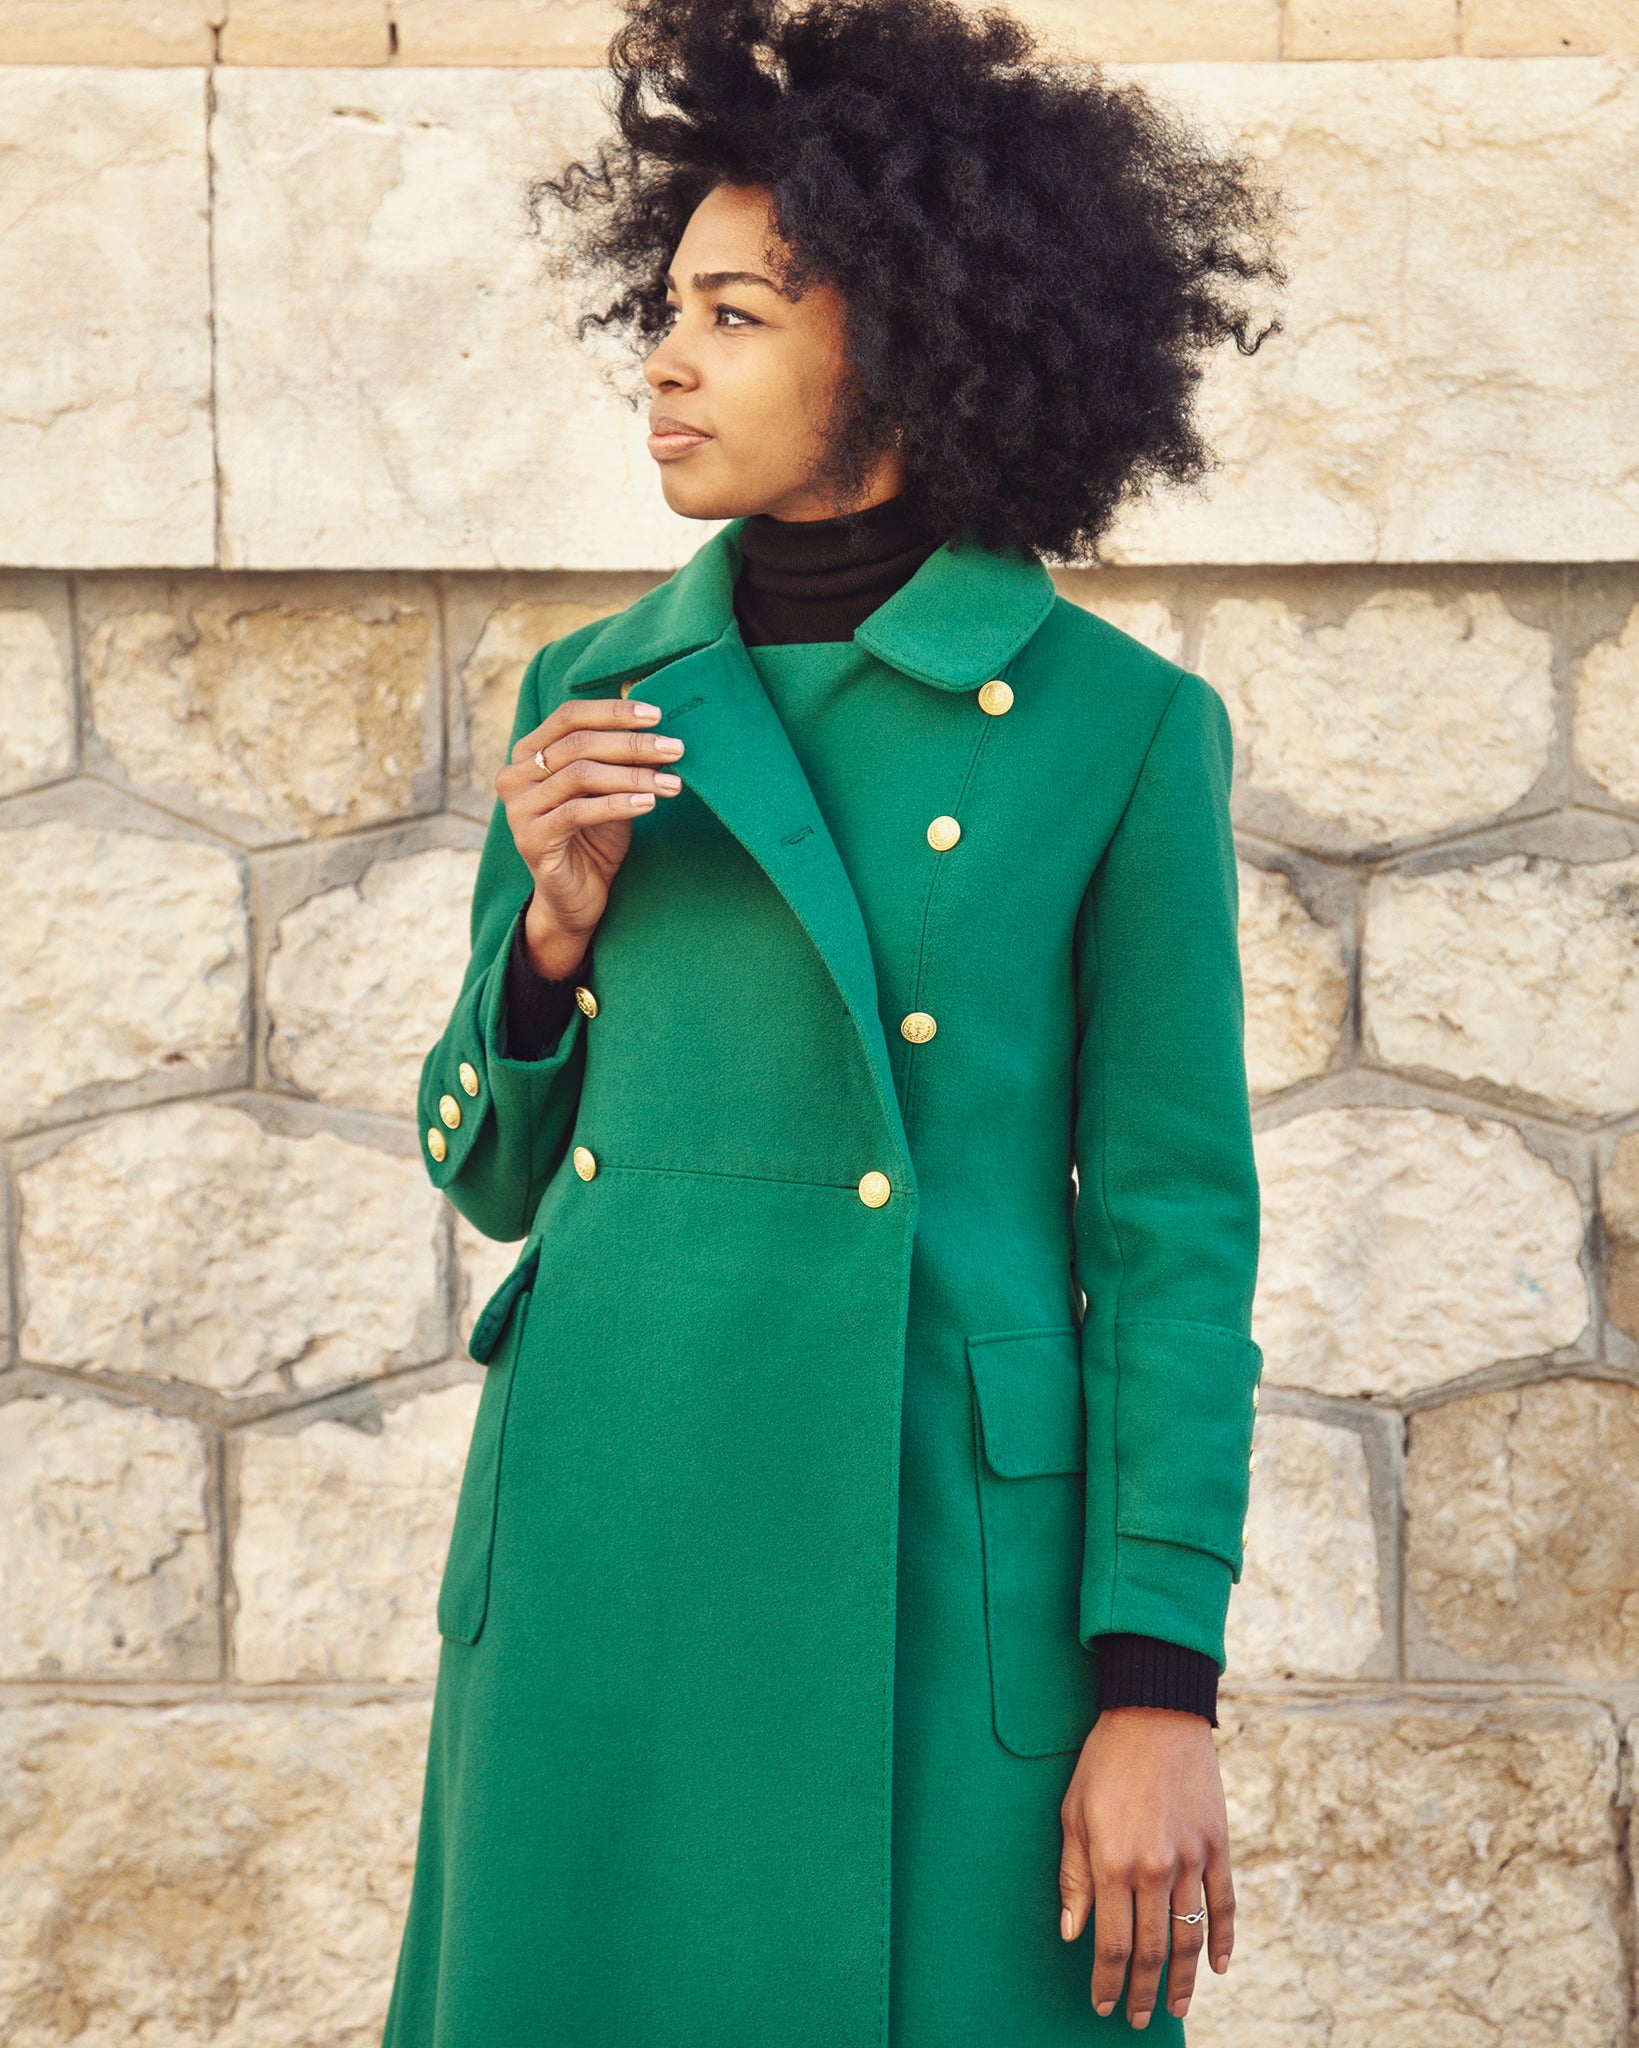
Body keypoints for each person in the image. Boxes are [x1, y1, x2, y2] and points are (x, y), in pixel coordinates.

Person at [383, 2, 1282, 2042]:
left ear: (911, 341)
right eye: (666, 309)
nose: (667, 359)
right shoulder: (593, 690)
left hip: (941, 1579)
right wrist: (547, 935)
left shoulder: (1117, 727)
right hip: (602, 1551)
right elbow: (491, 1171)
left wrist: (1160, 1681)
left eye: (738, 315)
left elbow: (1173, 1236)